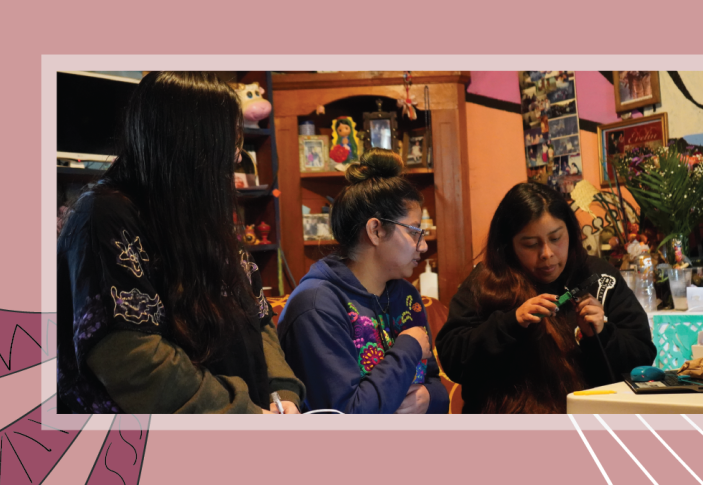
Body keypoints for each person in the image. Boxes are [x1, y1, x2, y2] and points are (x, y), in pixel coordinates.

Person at [57, 72, 305, 414]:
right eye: (228, 142)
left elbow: (256, 317)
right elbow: (132, 358)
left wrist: (282, 392)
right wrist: (243, 412)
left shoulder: (201, 213)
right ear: (190, 144)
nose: (236, 157)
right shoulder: (105, 215)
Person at [435, 183, 655, 413]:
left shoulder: (599, 277)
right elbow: (453, 359)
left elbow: (641, 360)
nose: (547, 254)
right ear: (508, 244)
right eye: (530, 244)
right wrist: (511, 322)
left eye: (556, 238)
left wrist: (601, 334)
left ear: (571, 232)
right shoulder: (485, 283)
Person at [277, 149, 449, 414]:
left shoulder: (405, 295)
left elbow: (436, 386)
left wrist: (427, 398)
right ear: (376, 230)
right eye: (415, 232)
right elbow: (346, 415)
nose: (423, 246)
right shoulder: (316, 306)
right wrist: (408, 348)